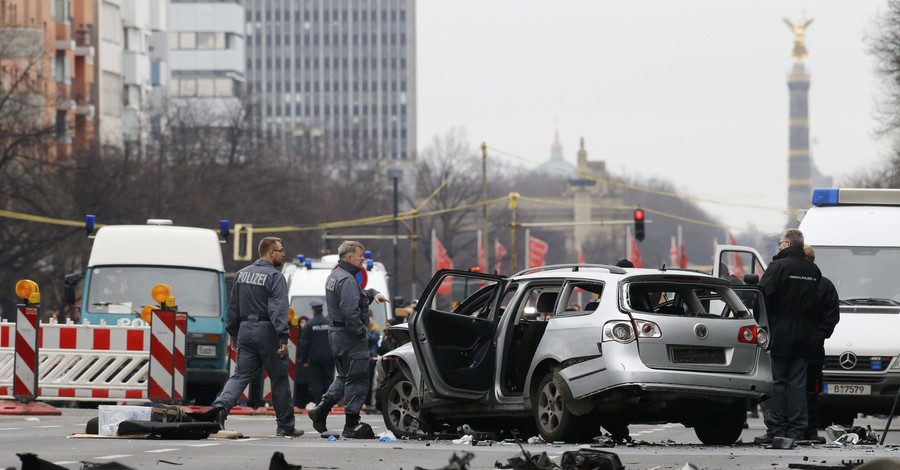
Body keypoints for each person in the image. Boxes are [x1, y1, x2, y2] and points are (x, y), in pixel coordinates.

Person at [202, 237, 304, 437]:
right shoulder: (275, 277)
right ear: (270, 253)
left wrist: (233, 333)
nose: (284, 253)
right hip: (268, 331)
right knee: (279, 379)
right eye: (280, 250)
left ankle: (220, 408)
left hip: (246, 330)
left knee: (240, 375)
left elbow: (233, 306)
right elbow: (278, 309)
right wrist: (283, 337)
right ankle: (285, 425)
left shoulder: (241, 274)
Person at [308, 241, 388, 438]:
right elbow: (350, 311)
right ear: (350, 257)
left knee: (344, 377)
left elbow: (357, 298)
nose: (363, 258)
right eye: (360, 255)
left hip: (337, 334)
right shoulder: (348, 280)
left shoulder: (336, 276)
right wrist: (362, 333)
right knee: (358, 379)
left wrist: (373, 293)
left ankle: (321, 410)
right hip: (350, 335)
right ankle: (351, 424)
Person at [754, 229, 822, 444]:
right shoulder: (813, 271)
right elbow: (817, 305)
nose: (779, 246)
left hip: (780, 336)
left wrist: (762, 325)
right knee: (797, 385)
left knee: (776, 383)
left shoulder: (777, 267)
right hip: (805, 338)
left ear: (786, 245)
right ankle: (796, 429)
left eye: (780, 243)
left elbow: (762, 298)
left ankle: (777, 429)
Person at [802, 245, 840, 443]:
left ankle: (794, 427)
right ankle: (809, 429)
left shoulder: (795, 282)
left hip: (795, 345)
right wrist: (819, 336)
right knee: (811, 390)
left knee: (792, 386)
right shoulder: (825, 285)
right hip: (814, 348)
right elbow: (832, 315)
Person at [298, 300, 333, 407]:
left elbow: (304, 343)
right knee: (328, 382)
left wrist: (303, 359)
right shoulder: (329, 323)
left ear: (313, 310)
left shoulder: (309, 324)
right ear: (322, 310)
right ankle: (328, 404)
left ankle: (319, 404)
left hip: (314, 360)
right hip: (329, 358)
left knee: (316, 383)